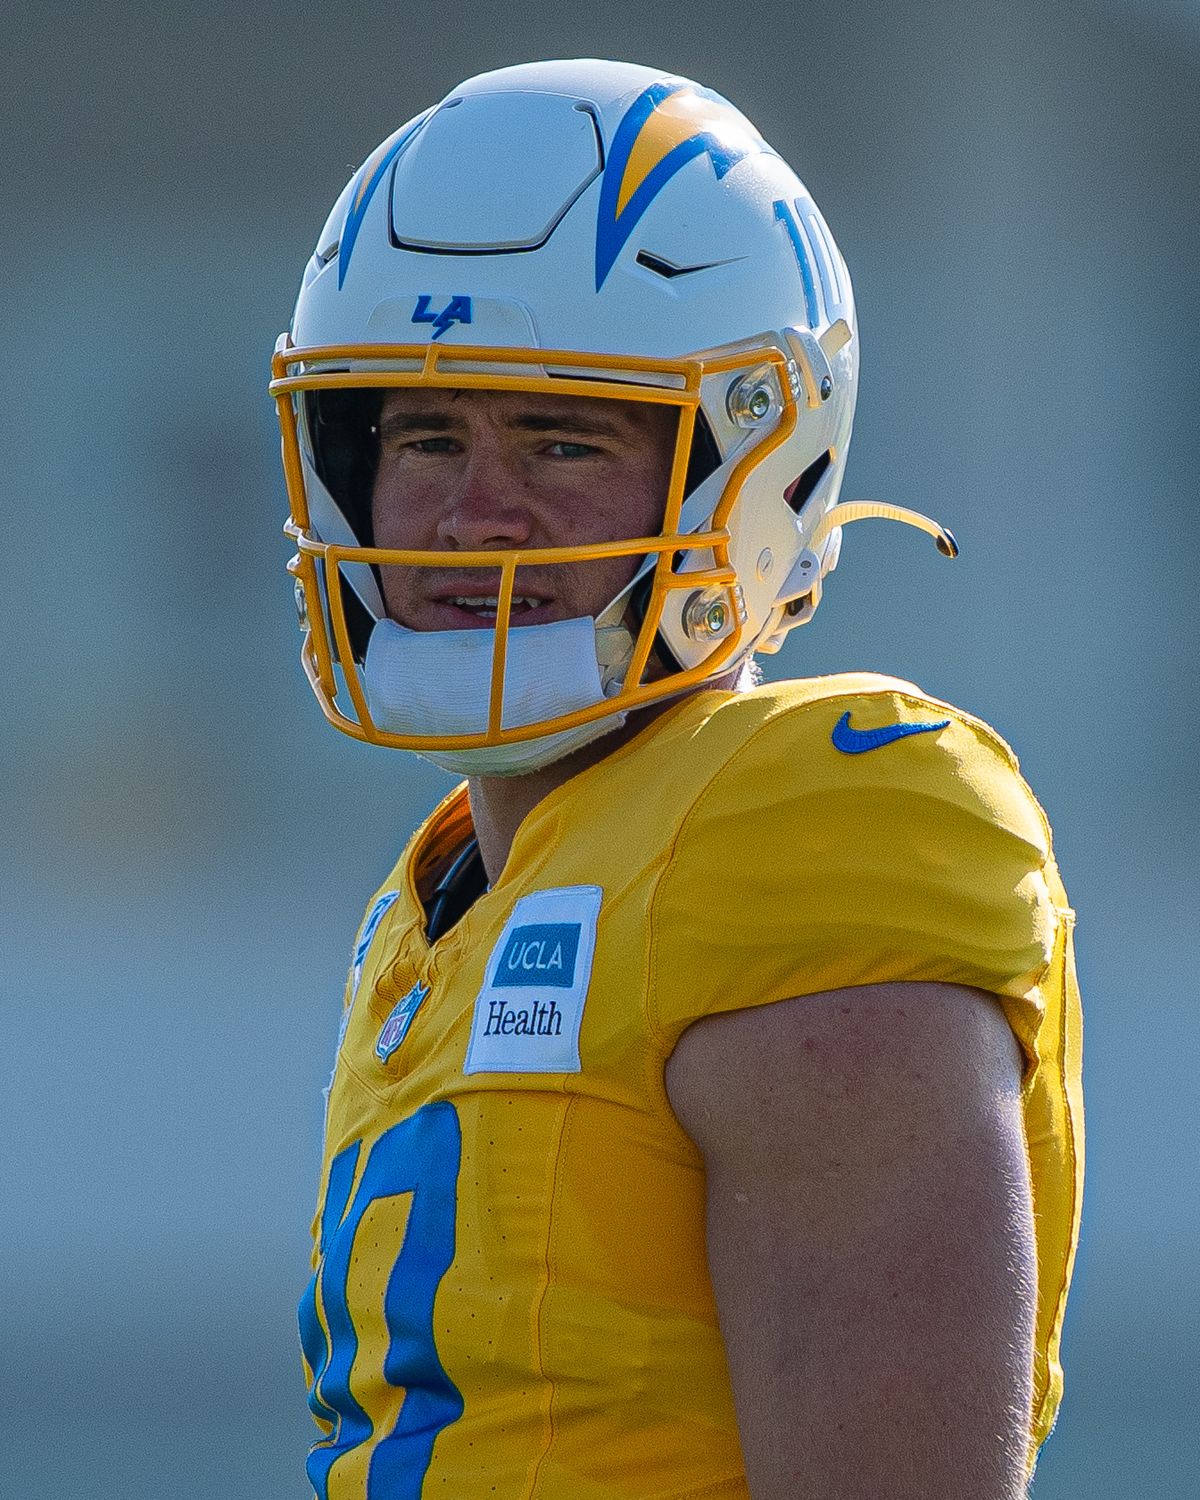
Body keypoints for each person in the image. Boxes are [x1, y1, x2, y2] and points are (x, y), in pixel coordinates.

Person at [270, 58, 1083, 1500]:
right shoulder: (440, 894)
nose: (475, 514)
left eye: (565, 438)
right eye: (423, 437)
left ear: (754, 468)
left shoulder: (808, 819)